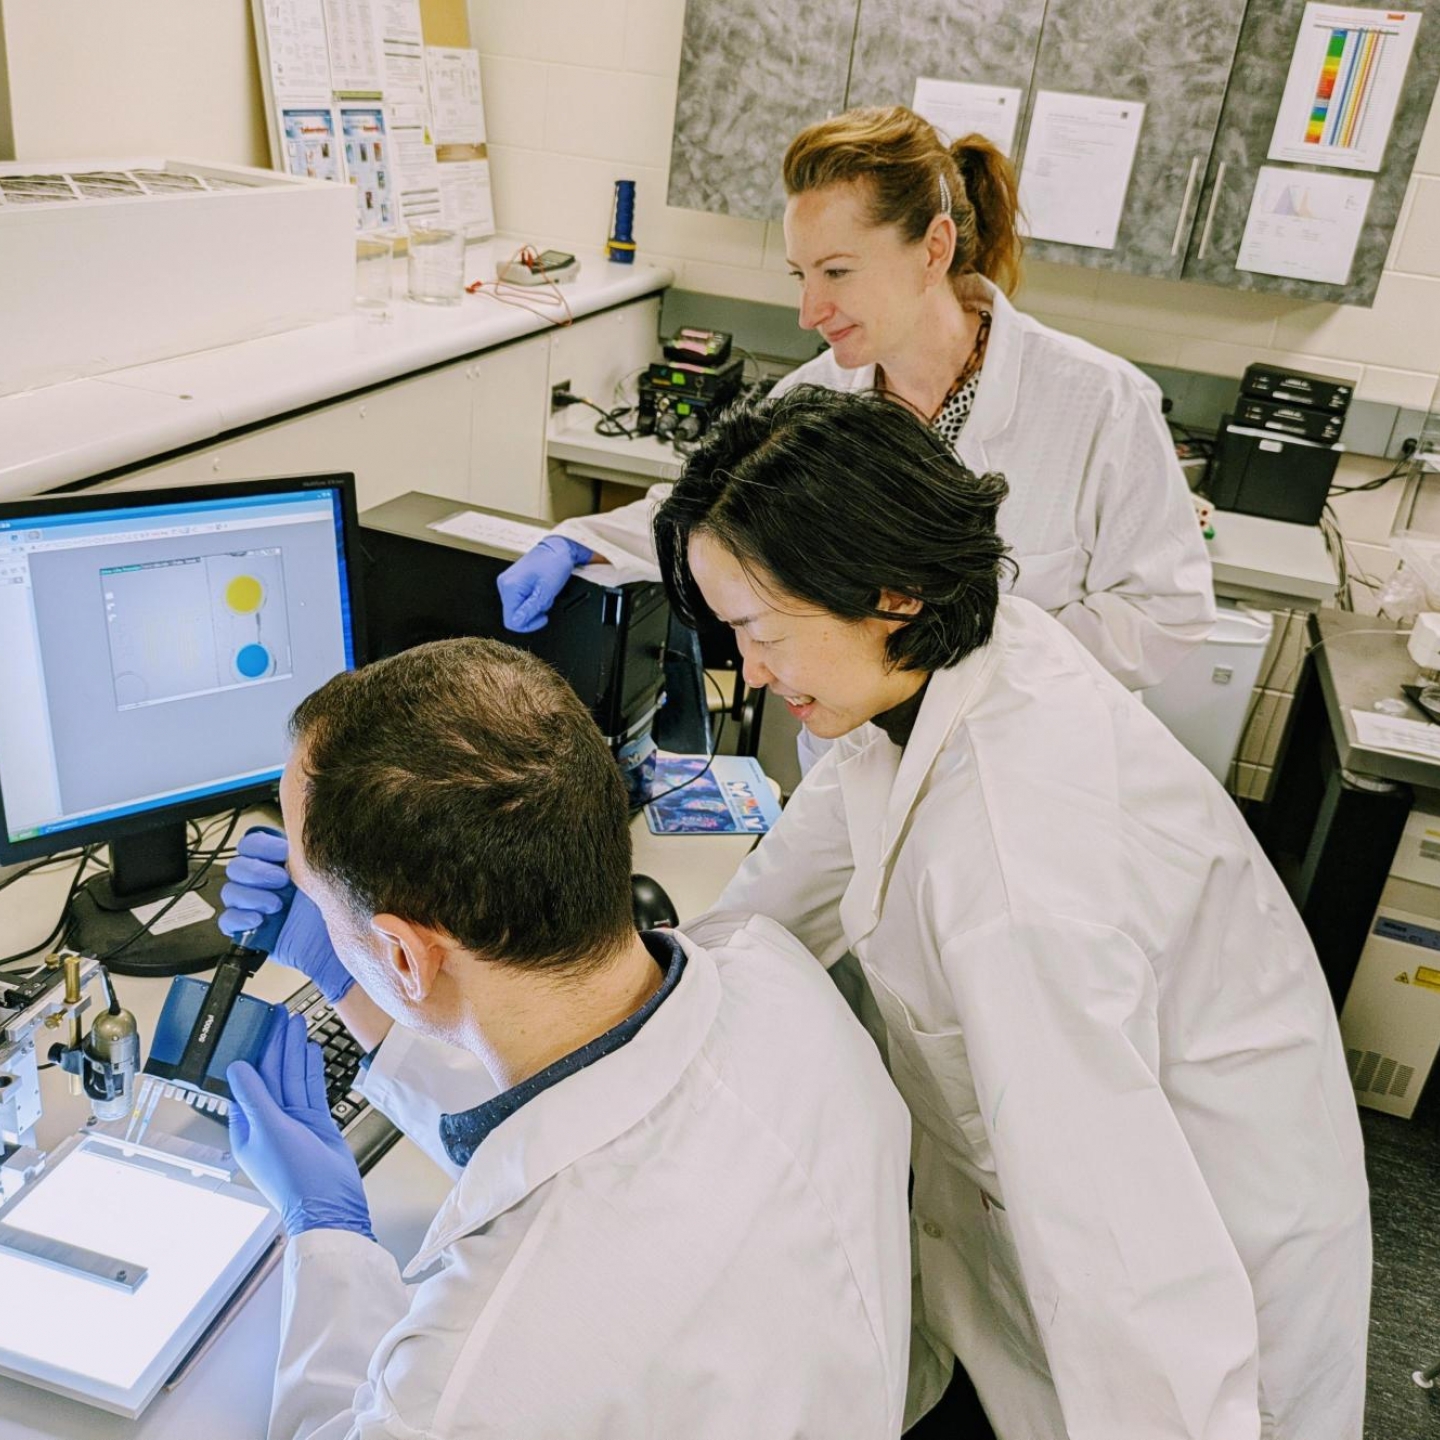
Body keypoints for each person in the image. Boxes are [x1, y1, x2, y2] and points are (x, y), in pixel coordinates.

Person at [654, 387, 1371, 1440]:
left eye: (759, 632)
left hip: (1187, 1320)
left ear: (889, 591)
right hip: (1034, 1260)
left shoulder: (1020, 883)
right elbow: (769, 912)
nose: (751, 673)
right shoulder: (940, 668)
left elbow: (1125, 1276)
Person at [217, 638, 913, 1439]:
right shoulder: (770, 969)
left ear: (407, 953)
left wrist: (328, 1236)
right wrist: (349, 976)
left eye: (312, 889)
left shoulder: (472, 1372)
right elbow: (578, 1121)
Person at [499, 105, 1214, 701]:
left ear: (934, 250)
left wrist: (957, 660)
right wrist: (580, 541)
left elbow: (1166, 612)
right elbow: (710, 516)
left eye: (837, 271)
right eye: (801, 274)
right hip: (849, 758)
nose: (810, 310)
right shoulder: (816, 398)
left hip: (1022, 746)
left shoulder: (1098, 403)